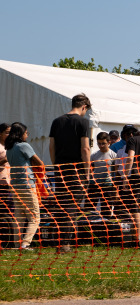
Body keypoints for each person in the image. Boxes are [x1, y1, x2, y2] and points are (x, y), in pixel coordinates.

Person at [48, 93, 93, 253]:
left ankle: (60, 241)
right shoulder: (83, 122)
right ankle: (65, 244)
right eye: (86, 110)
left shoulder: (56, 121)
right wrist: (87, 172)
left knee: (61, 206)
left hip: (60, 169)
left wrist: (55, 166)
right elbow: (85, 148)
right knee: (71, 207)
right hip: (76, 170)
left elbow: (51, 146)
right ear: (84, 107)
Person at [5, 122, 45, 250]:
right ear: (20, 134)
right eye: (26, 133)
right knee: (35, 217)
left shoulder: (9, 148)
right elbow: (39, 162)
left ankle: (17, 244)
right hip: (27, 185)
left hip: (15, 186)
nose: (27, 135)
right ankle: (26, 243)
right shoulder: (24, 146)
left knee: (19, 216)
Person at [88, 132, 119, 218]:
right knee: (89, 210)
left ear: (109, 142)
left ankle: (106, 230)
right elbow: (90, 170)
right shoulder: (94, 155)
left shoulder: (113, 155)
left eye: (103, 143)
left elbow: (116, 173)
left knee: (106, 212)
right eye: (99, 143)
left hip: (108, 186)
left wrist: (116, 189)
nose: (101, 145)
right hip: (94, 185)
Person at [0, 122, 15, 250]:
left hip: (8, 182)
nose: (9, 135)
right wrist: (5, 159)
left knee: (8, 211)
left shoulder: (8, 146)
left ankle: (7, 239)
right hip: (1, 183)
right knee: (3, 211)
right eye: (6, 132)